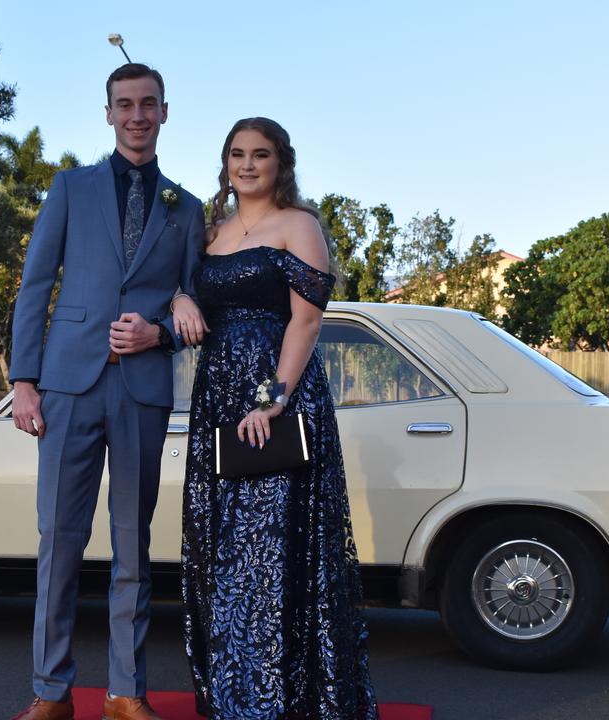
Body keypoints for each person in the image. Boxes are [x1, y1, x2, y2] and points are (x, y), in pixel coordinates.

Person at [8, 63, 207, 720]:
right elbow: (36, 286)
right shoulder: (70, 188)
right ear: (108, 113)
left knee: (133, 543)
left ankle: (126, 692)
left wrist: (159, 335)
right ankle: (51, 691)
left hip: (141, 392)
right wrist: (25, 380)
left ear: (165, 112)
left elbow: (197, 307)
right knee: (58, 540)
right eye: (125, 105)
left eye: (148, 105)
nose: (137, 116)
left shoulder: (187, 208)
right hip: (66, 386)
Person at [172, 117, 379, 718]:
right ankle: (237, 696)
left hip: (277, 400)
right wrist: (179, 297)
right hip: (218, 398)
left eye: (260, 155)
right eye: (237, 154)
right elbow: (181, 291)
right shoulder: (210, 230)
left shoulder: (298, 224)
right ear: (225, 162)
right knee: (224, 548)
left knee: (270, 552)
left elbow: (306, 320)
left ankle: (281, 702)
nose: (247, 165)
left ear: (280, 163)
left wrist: (273, 397)